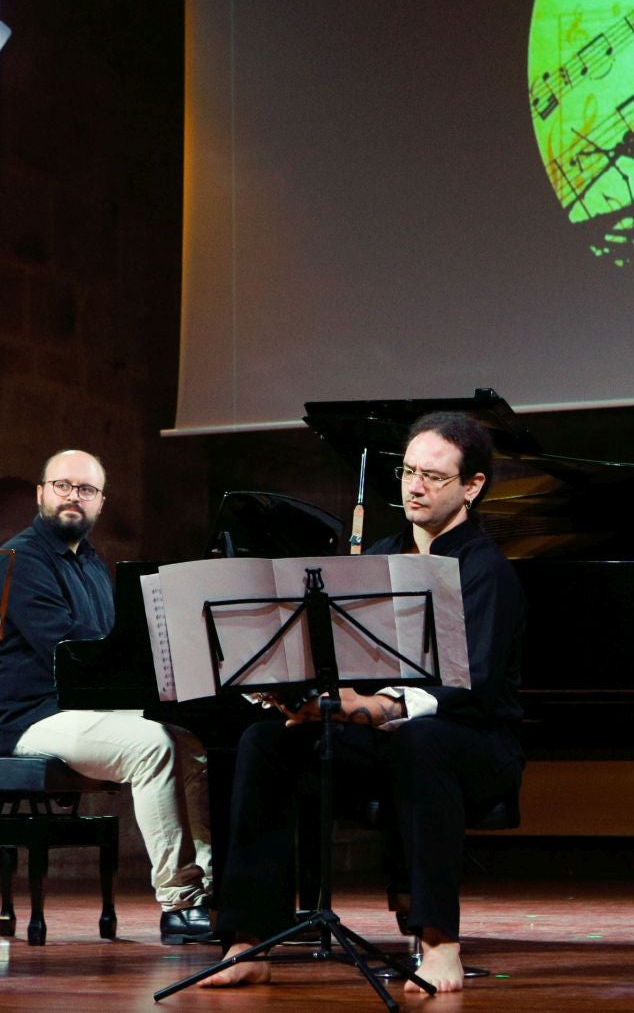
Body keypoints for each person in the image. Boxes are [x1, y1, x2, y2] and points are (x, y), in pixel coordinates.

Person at [204, 411, 526, 994]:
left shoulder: (487, 570)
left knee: (422, 741)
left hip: (471, 744)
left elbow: (469, 687)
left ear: (472, 487)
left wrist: (380, 707)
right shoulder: (378, 555)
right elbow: (340, 659)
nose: (415, 486)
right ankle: (248, 940)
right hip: (385, 740)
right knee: (265, 741)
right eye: (408, 472)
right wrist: (291, 687)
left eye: (433, 476)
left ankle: (438, 943)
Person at [0, 449, 217, 943]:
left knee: (195, 742)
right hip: (31, 716)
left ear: (101, 503)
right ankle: (179, 903)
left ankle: (214, 888)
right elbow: (70, 650)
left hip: (84, 707)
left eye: (85, 490)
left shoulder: (90, 563)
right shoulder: (19, 560)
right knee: (152, 745)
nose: (73, 497)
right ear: (41, 493)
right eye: (62, 486)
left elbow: (112, 645)